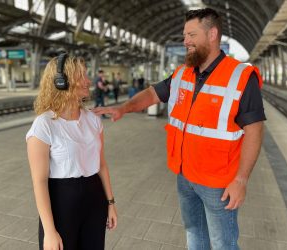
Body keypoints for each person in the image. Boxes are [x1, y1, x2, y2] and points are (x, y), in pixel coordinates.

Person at [94, 8, 265, 250]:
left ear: (213, 34)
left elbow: (255, 131)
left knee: (223, 243)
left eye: (192, 35)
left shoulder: (240, 76)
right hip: (185, 176)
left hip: (218, 183)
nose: (185, 41)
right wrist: (124, 108)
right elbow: (154, 93)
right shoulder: (183, 72)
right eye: (185, 35)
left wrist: (241, 180)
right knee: (194, 235)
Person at [26, 53, 117, 250]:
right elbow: (39, 182)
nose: (88, 80)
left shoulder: (93, 120)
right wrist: (50, 232)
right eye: (81, 76)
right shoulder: (44, 125)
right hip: (62, 201)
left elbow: (101, 164)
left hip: (94, 199)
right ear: (61, 81)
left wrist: (110, 203)